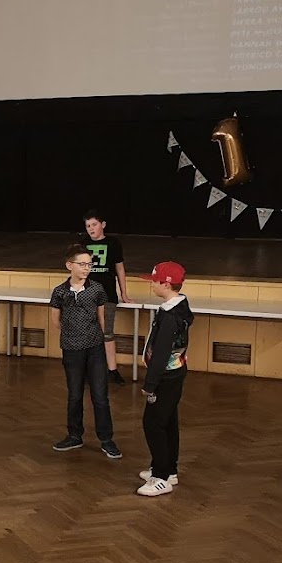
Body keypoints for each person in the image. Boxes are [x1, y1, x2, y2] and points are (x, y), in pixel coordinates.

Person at [49, 245, 121, 459]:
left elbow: (102, 318)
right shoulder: (60, 291)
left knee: (100, 395)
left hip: (95, 348)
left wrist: (98, 338)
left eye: (89, 264)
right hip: (71, 349)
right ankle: (74, 435)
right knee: (75, 394)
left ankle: (106, 439)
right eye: (82, 264)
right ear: (69, 265)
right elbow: (55, 320)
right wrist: (73, 333)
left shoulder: (97, 289)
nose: (87, 268)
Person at [137, 261, 193, 497]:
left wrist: (150, 384)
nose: (152, 285)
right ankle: (169, 469)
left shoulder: (170, 317)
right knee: (168, 421)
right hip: (174, 372)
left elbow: (161, 354)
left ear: (166, 284)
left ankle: (160, 477)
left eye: (155, 282)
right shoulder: (179, 306)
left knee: (153, 423)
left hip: (166, 376)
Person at [82, 210, 129, 385]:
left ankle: (112, 370)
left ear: (103, 225)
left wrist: (124, 293)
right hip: (86, 295)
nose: (91, 228)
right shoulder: (83, 244)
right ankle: (87, 369)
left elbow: (119, 269)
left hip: (107, 295)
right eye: (88, 226)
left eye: (94, 224)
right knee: (86, 332)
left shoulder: (113, 243)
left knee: (107, 332)